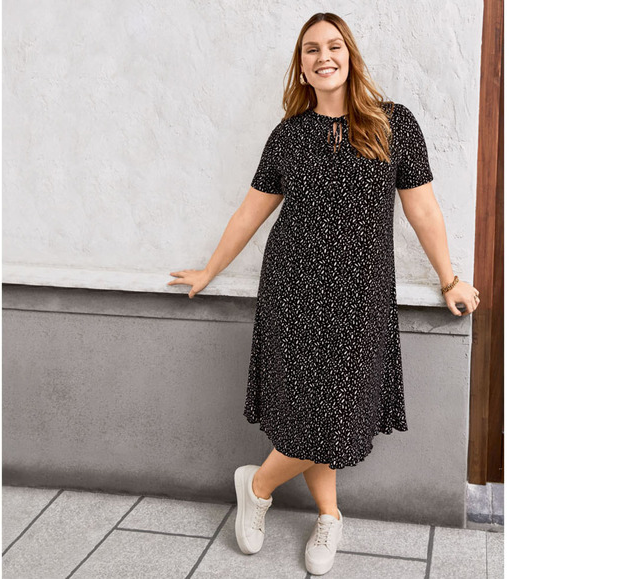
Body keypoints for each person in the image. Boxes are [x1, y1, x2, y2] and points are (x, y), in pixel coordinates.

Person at [167, 12, 480, 576]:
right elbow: (250, 213)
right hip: (293, 289)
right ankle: (330, 516)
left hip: (361, 296)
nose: (323, 56)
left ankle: (257, 485)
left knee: (338, 413)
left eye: (333, 46)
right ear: (301, 66)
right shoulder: (288, 136)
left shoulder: (393, 124)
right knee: (309, 408)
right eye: (311, 49)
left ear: (350, 55)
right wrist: (209, 271)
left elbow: (424, 209)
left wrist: (449, 278)